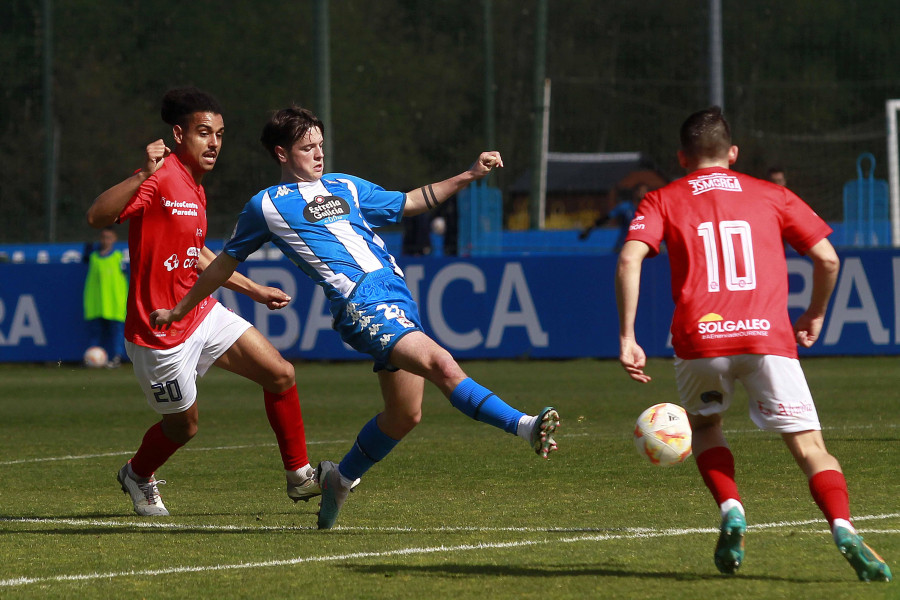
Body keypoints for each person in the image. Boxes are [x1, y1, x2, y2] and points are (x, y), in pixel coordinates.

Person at [150, 105, 561, 530]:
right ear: (281, 154)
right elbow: (222, 263)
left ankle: (339, 482)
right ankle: (525, 426)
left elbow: (408, 202)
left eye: (320, 145)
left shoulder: (345, 185)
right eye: (307, 147)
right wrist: (181, 308)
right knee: (442, 364)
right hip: (360, 303)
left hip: (397, 295)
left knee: (404, 415)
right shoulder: (266, 205)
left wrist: (469, 174)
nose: (318, 154)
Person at [615, 107, 891, 582]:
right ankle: (843, 527)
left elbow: (629, 259)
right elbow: (827, 258)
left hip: (700, 339)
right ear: (734, 153)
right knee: (810, 449)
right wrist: (815, 313)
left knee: (705, 426)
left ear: (683, 157)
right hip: (768, 338)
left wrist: (627, 335)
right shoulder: (772, 194)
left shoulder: (662, 198)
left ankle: (731, 508)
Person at [87, 88, 318, 517]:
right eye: (204, 133)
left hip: (199, 312)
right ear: (179, 134)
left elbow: (199, 255)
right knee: (183, 427)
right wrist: (142, 175)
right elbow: (97, 216)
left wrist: (255, 290)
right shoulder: (158, 176)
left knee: (281, 374)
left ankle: (300, 476)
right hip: (159, 331)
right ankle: (137, 474)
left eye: (220, 135)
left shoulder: (194, 185)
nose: (214, 143)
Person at [83, 226, 128, 367]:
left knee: (117, 331)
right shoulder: (93, 256)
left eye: (109, 237)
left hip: (115, 301)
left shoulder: (119, 257)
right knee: (95, 332)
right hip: (96, 301)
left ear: (114, 239)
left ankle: (117, 357)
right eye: (103, 237)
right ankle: (90, 358)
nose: (105, 241)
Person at [579, 184, 644, 252]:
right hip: (624, 246)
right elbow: (607, 218)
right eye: (641, 191)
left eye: (645, 191)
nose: (644, 193)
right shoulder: (625, 207)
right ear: (635, 193)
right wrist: (589, 229)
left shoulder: (649, 208)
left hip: (641, 246)